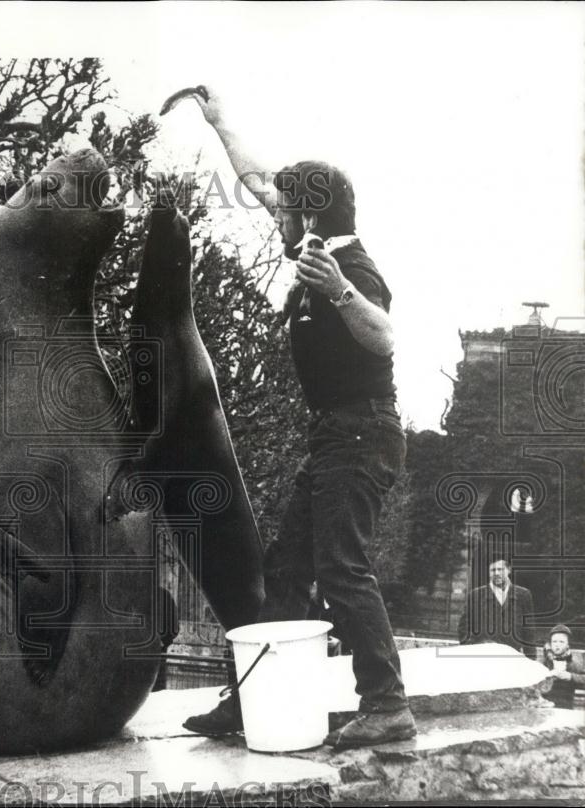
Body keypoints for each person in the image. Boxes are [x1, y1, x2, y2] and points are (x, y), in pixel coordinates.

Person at [178, 86, 415, 749]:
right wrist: (219, 118)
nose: (272, 214)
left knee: (341, 569)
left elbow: (385, 336)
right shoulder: (311, 244)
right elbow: (258, 182)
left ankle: (387, 704)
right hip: (334, 437)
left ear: (308, 217)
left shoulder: (353, 269)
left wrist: (338, 289)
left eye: (285, 210)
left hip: (363, 435)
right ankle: (254, 699)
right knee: (286, 570)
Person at [457, 556, 536, 659]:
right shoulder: (476, 595)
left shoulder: (523, 595)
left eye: (500, 569)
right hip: (483, 656)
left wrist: (531, 658)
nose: (497, 573)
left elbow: (529, 630)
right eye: (493, 570)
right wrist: (472, 650)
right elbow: (464, 628)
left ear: (509, 570)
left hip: (512, 656)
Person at [541, 624, 585, 710]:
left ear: (568, 645)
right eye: (554, 641)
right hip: (545, 705)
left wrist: (570, 676)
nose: (557, 645)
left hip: (565, 705)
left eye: (561, 642)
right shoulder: (545, 661)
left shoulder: (574, 662)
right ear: (550, 643)